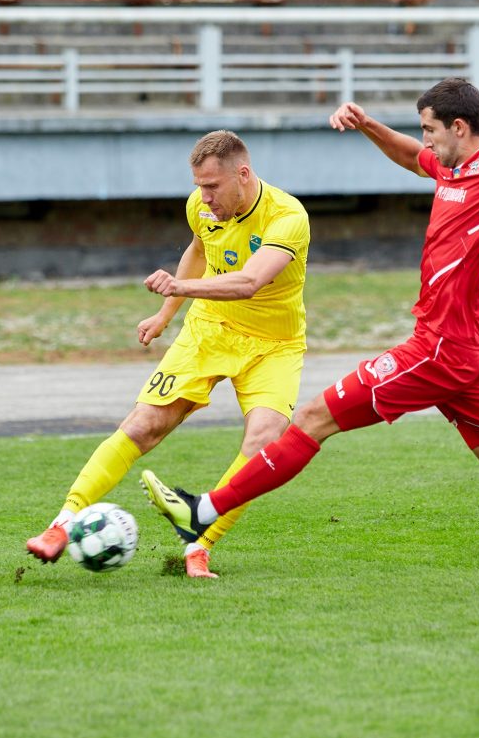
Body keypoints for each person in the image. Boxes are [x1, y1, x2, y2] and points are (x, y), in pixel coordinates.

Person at [141, 77, 479, 581]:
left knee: (311, 418)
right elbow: (412, 157)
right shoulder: (449, 166)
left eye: (429, 128)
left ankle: (203, 510)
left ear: (459, 128)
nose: (424, 140)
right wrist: (370, 126)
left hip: (441, 347)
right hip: (468, 342)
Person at [26, 129, 311, 579]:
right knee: (143, 426)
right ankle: (61, 525)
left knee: (263, 445)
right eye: (198, 185)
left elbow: (248, 282)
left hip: (274, 346)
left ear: (243, 174)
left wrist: (179, 287)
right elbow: (199, 250)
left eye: (212, 186)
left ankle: (200, 545)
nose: (204, 196)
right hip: (209, 331)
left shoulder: (288, 217)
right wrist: (165, 314)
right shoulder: (200, 207)